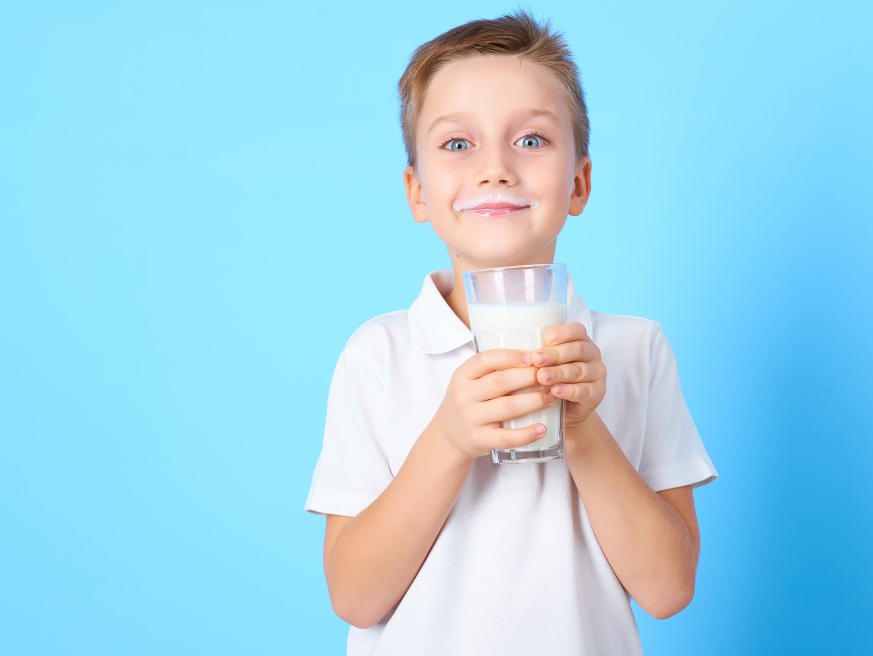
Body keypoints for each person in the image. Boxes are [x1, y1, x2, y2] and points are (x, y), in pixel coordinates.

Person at [305, 10, 717, 655]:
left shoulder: (635, 352)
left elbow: (668, 590)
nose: (495, 168)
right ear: (417, 193)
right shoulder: (378, 355)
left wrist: (582, 426)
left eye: (530, 140)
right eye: (457, 144)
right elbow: (355, 597)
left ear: (578, 182)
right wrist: (446, 440)